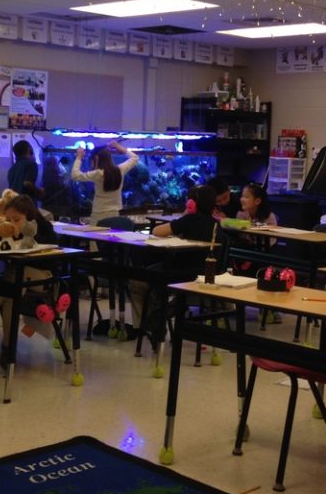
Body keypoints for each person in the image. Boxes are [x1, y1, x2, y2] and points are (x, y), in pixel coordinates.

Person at [0, 195, 59, 368]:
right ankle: (8, 346)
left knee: (13, 278)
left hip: (43, 276)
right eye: (8, 219)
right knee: (11, 293)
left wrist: (24, 235)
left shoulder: (42, 228)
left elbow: (50, 249)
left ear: (29, 217)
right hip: (17, 280)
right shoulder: (6, 229)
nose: (12, 223)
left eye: (17, 219)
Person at [132, 186, 225, 342]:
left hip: (178, 274)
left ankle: (148, 326)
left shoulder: (189, 220)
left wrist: (185, 215)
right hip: (204, 275)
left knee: (137, 282)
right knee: (157, 286)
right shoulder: (217, 225)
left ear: (192, 204)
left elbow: (156, 231)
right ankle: (160, 315)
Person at [70, 140, 139, 224]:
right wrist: (118, 146)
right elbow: (135, 158)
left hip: (98, 214)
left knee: (96, 237)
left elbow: (75, 175)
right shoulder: (120, 170)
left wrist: (79, 157)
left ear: (96, 159)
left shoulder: (98, 174)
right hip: (115, 214)